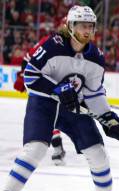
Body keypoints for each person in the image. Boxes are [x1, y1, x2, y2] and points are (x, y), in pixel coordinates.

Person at [0, 6, 119, 191]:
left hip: (73, 108)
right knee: (37, 148)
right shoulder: (52, 46)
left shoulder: (96, 57)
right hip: (44, 103)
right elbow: (30, 76)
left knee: (97, 151)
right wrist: (57, 89)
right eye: (82, 25)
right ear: (70, 26)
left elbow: (95, 93)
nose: (87, 30)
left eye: (90, 26)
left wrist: (108, 117)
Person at [13, 32, 67, 166]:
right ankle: (57, 147)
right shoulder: (49, 41)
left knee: (55, 116)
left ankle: (57, 146)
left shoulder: (78, 47)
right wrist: (23, 76)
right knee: (47, 115)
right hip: (45, 84)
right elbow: (27, 59)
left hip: (58, 84)